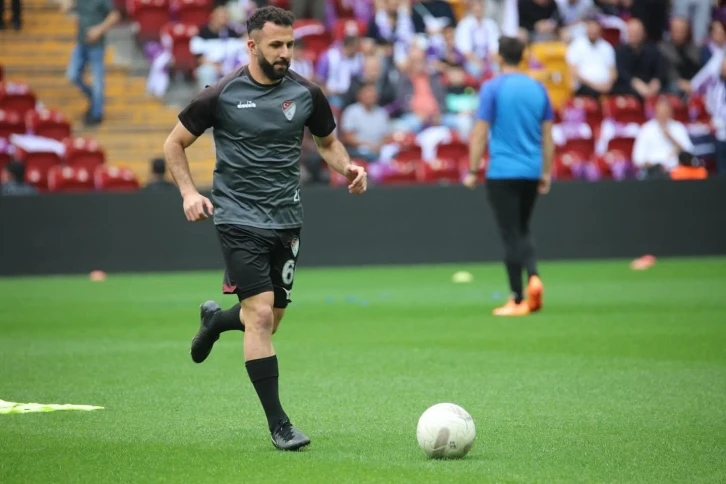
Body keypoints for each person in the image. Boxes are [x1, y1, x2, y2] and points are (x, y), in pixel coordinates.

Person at [162, 6, 367, 451]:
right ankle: (280, 425)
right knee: (258, 315)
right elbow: (174, 143)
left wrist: (348, 167)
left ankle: (216, 321)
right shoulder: (222, 94)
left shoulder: (307, 93)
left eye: (290, 44)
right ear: (252, 45)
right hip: (238, 218)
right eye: (276, 45)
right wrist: (189, 193)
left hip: (287, 220)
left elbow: (328, 143)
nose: (285, 52)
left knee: (270, 320)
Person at [463, 36, 554, 317]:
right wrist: (546, 171)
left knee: (510, 233)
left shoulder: (493, 87)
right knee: (523, 228)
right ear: (523, 57)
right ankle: (533, 277)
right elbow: (548, 136)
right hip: (531, 169)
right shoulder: (538, 88)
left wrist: (473, 170)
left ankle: (516, 298)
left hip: (503, 170)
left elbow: (480, 132)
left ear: (500, 57)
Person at [62, 0, 120, 126]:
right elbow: (66, 9)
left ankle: (96, 114)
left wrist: (99, 30)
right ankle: (94, 99)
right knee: (72, 75)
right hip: (81, 43)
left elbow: (114, 16)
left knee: (97, 80)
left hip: (96, 45)